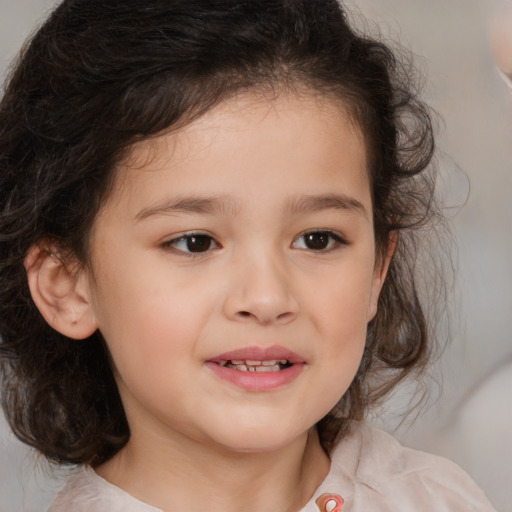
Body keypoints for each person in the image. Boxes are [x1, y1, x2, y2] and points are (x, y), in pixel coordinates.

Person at [0, 1, 497, 511]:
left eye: (318, 239)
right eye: (194, 242)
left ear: (376, 269)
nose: (265, 298)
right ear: (67, 287)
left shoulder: (439, 498)